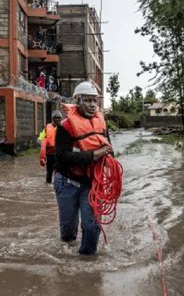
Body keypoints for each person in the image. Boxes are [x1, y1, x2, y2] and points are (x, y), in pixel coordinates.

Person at [54, 81, 113, 255]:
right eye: (87, 100)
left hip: (91, 183)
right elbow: (62, 157)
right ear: (77, 101)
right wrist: (94, 155)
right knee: (68, 233)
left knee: (92, 226)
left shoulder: (101, 124)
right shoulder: (65, 126)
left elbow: (108, 149)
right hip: (67, 181)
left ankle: (87, 261)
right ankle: (68, 254)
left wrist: (109, 158)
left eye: (94, 101)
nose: (92, 105)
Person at [39, 110, 63, 183]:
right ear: (53, 119)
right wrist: (44, 146)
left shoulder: (63, 128)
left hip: (60, 154)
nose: (58, 120)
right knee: (49, 172)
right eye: (56, 118)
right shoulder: (46, 128)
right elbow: (40, 139)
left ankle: (58, 185)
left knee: (60, 172)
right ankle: (48, 184)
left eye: (59, 118)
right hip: (50, 155)